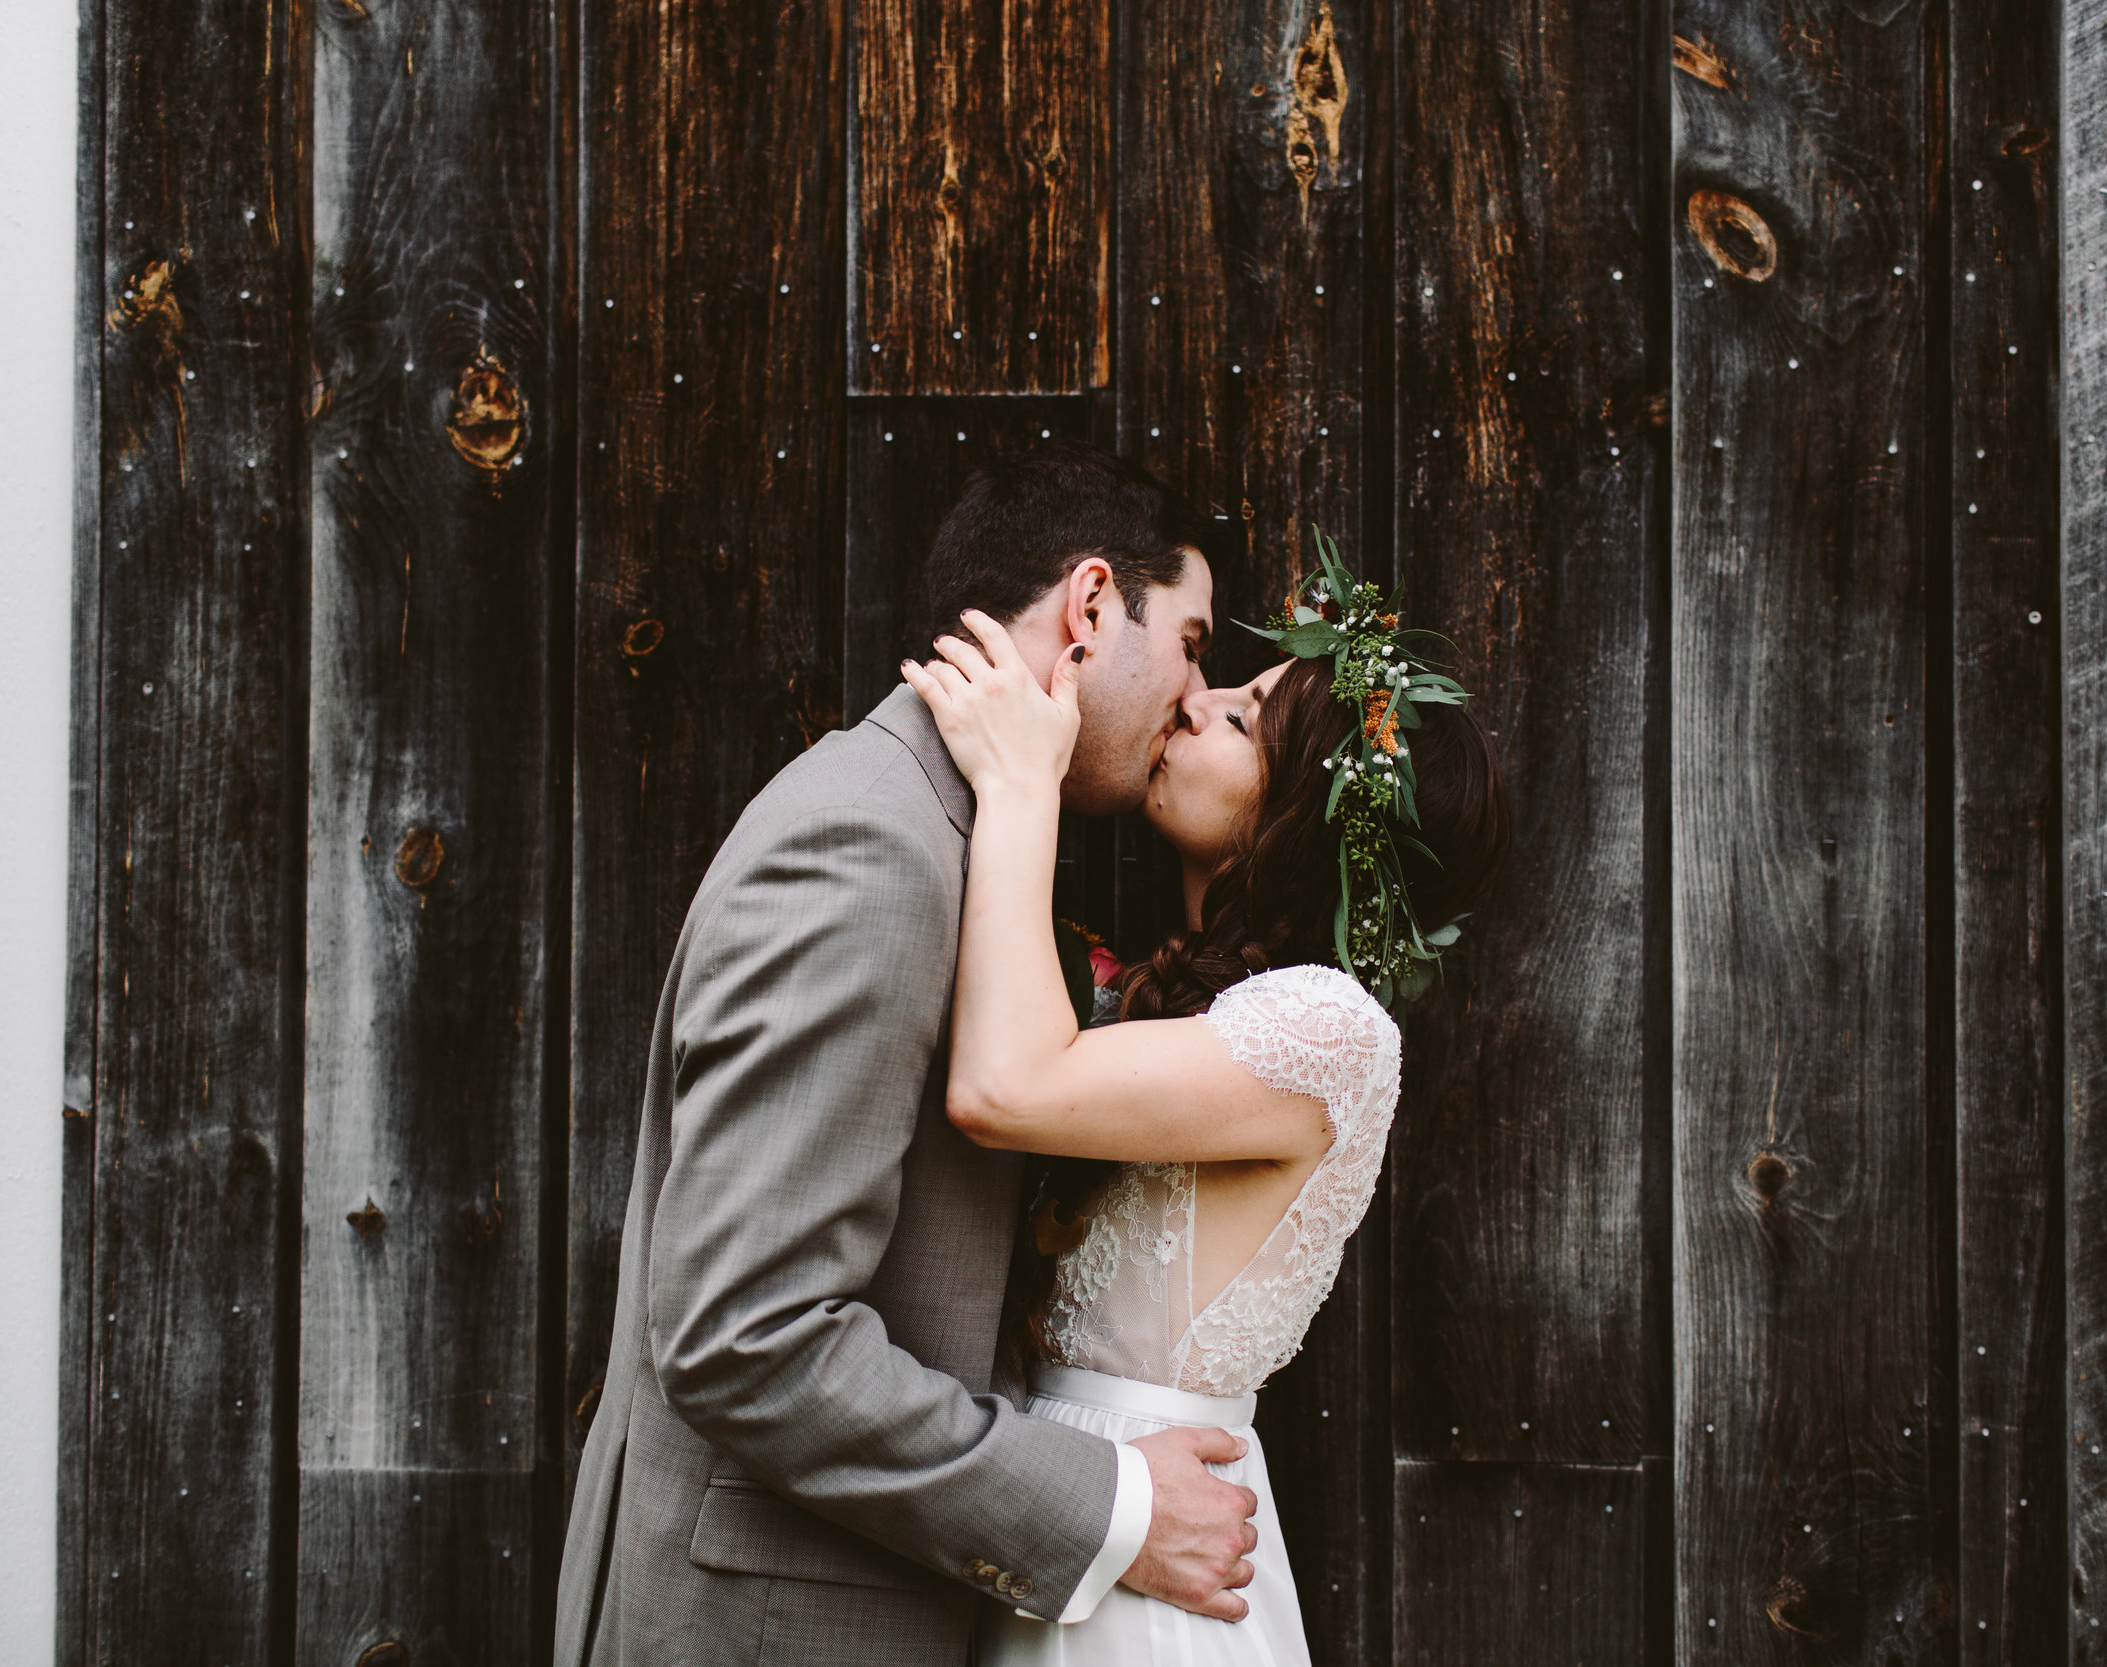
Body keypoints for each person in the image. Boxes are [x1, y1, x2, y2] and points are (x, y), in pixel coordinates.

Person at [553, 442, 1268, 1667]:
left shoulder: (948, 830)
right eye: (1194, 646)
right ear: (1091, 608)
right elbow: (746, 1334)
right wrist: (1106, 1505)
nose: (1192, 700)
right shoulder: (872, 845)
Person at [900, 542, 1508, 1666]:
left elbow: (1003, 1087)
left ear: (1307, 820)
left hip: (1150, 1580)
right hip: (1058, 1517)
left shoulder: (1327, 1031)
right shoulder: (1176, 1005)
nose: (1195, 698)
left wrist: (1022, 779)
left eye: (1242, 718)